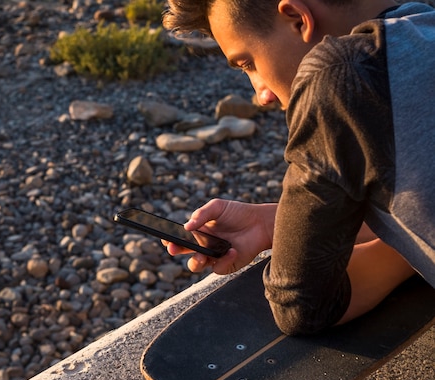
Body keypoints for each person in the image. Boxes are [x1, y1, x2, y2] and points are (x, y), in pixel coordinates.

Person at [161, 0, 435, 335]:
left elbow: (302, 305)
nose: (261, 94)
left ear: (297, 18)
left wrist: (403, 251)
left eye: (248, 63)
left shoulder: (344, 76)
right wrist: (273, 223)